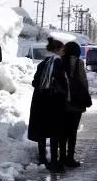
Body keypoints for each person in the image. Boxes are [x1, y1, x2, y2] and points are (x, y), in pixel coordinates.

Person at [28, 37, 69, 171]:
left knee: (42, 131)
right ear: (57, 50)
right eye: (62, 49)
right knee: (55, 132)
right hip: (54, 103)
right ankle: (54, 161)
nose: (64, 52)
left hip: (40, 102)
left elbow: (35, 82)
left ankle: (42, 158)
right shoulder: (58, 63)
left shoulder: (43, 63)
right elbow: (62, 84)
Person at [62, 41, 92, 167]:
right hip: (75, 103)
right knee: (72, 131)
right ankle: (69, 158)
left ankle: (61, 157)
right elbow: (83, 81)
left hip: (62, 101)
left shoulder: (60, 62)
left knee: (62, 130)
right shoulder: (78, 63)